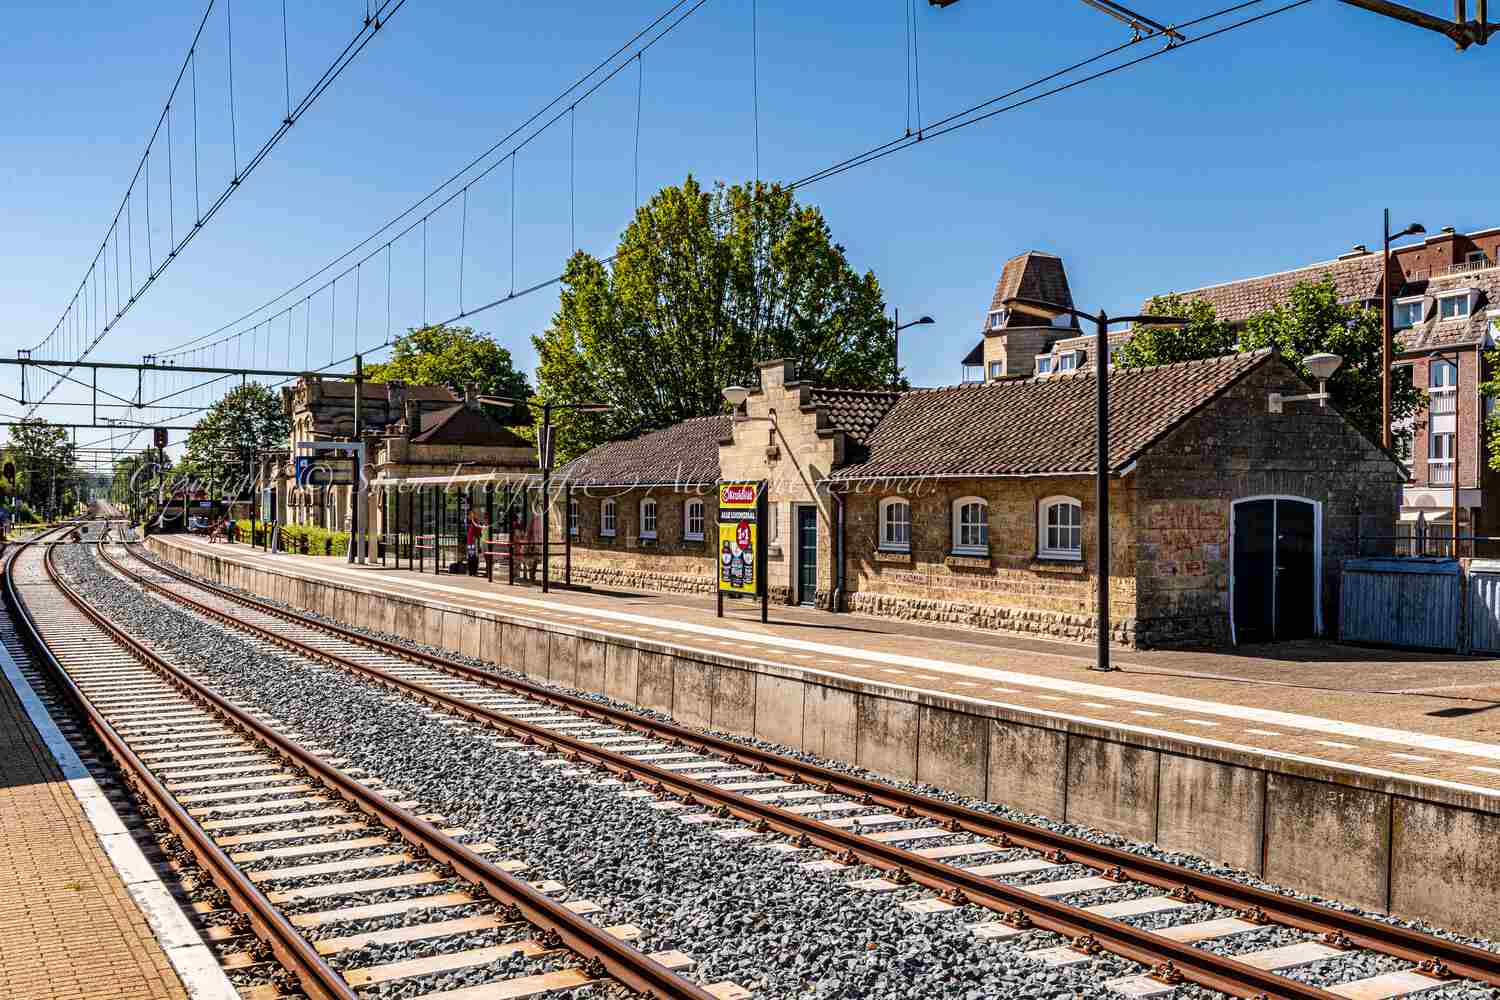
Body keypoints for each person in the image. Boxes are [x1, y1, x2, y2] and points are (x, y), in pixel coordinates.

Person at [465, 507, 488, 577]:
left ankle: (473, 570)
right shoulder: (471, 522)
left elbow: (479, 532)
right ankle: (472, 571)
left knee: (473, 556)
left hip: (473, 541)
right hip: (471, 541)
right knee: (472, 556)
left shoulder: (474, 522)